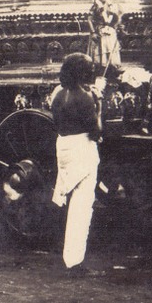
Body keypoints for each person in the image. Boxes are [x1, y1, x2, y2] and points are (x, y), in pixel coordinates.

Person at [49, 53, 103, 272]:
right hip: (82, 149)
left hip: (64, 147)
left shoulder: (58, 95)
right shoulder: (85, 97)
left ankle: (65, 251)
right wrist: (99, 105)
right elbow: (97, 131)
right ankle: (74, 261)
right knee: (81, 206)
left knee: (66, 200)